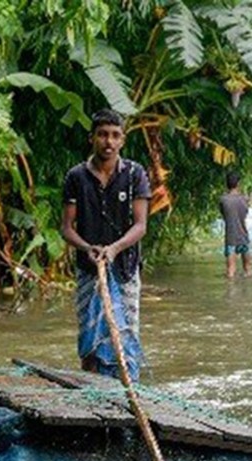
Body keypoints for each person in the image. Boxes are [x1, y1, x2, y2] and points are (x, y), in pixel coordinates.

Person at [61, 108, 150, 376]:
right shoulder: (76, 176)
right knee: (89, 336)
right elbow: (66, 228)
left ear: (122, 140)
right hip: (89, 269)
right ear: (92, 138)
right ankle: (91, 391)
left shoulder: (135, 174)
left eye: (114, 136)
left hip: (125, 268)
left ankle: (126, 388)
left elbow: (140, 225)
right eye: (102, 135)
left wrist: (114, 249)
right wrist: (88, 248)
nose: (108, 142)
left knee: (126, 333)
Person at [219, 171, 252, 278]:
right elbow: (245, 214)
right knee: (248, 270)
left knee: (230, 270)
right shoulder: (245, 199)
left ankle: (230, 293)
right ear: (238, 184)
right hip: (243, 237)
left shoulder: (223, 200)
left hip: (230, 237)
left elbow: (223, 214)